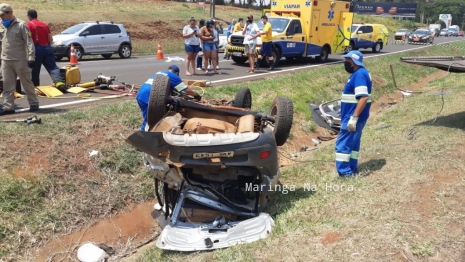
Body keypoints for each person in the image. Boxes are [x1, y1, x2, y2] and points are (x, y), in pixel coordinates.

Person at [335, 51, 372, 177]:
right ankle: (352, 168)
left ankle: (345, 173)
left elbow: (363, 98)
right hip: (355, 116)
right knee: (353, 144)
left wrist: (354, 118)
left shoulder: (359, 74)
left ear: (353, 61)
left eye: (347, 60)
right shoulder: (360, 73)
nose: (345, 63)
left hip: (352, 117)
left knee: (343, 145)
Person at [0, 3, 39, 115]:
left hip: (20, 60)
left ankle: (34, 103)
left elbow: (29, 42)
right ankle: (8, 107)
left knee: (26, 82)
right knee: (7, 85)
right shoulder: (1, 25)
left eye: (3, 15)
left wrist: (31, 57)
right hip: (6, 60)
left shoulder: (21, 25)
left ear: (10, 13)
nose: (1, 18)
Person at [136, 65, 201, 131]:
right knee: (151, 120)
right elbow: (186, 90)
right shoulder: (174, 77)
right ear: (177, 73)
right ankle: (145, 136)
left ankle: (145, 133)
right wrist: (196, 95)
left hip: (141, 94)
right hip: (150, 96)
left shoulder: (161, 72)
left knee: (148, 118)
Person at [26, 9, 65, 89]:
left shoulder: (29, 25)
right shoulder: (44, 24)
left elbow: (27, 38)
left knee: (35, 69)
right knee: (53, 67)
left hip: (36, 49)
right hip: (47, 48)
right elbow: (50, 39)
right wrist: (48, 47)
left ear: (29, 16)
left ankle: (35, 87)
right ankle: (59, 83)